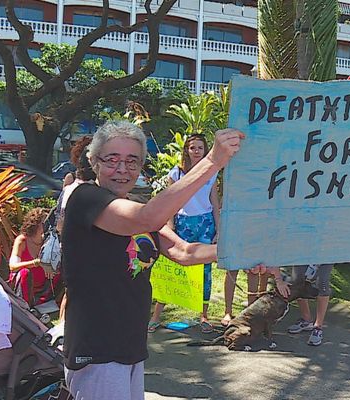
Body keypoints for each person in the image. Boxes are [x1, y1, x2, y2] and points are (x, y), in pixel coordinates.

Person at [61, 121, 242, 400]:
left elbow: (185, 253)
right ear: (94, 162)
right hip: (96, 350)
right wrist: (213, 161)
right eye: (112, 160)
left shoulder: (134, 204)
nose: (122, 169)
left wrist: (245, 252)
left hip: (130, 346)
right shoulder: (86, 198)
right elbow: (147, 218)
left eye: (132, 161)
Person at [148, 134, 221, 334]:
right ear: (186, 151)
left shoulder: (211, 173)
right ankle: (156, 315)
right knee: (172, 269)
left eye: (200, 148)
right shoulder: (176, 174)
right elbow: (171, 203)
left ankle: (203, 315)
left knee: (205, 271)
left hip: (205, 222)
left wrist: (219, 229)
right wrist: (170, 227)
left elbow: (214, 202)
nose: (196, 151)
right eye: (192, 148)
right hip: (183, 223)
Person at [55, 138, 96, 321]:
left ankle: (63, 327)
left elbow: (59, 221)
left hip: (68, 247)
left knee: (70, 292)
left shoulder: (70, 188)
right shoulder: (90, 193)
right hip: (83, 250)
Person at [9, 208, 56, 306]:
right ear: (35, 224)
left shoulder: (49, 240)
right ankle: (26, 306)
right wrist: (36, 262)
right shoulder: (22, 240)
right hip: (23, 286)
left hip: (43, 285)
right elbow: (13, 266)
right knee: (24, 273)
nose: (47, 226)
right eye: (44, 223)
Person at [287, 264, 334, 346]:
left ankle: (318, 327)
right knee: (297, 281)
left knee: (322, 283)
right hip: (304, 252)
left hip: (326, 254)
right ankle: (306, 320)